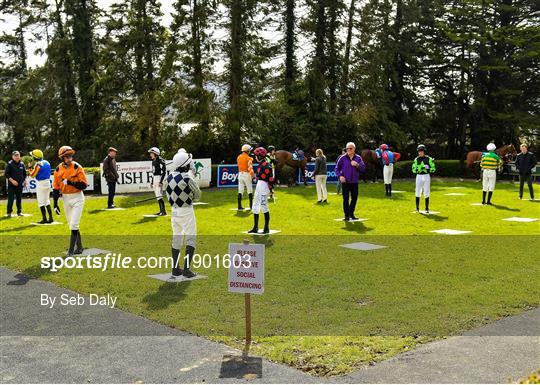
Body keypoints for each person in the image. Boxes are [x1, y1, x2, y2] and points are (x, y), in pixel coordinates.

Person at [165, 149, 201, 279]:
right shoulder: (188, 177)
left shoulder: (168, 177)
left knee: (177, 238)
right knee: (190, 238)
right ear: (185, 165)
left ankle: (175, 269)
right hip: (186, 210)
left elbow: (167, 193)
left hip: (174, 211)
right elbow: (198, 195)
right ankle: (186, 269)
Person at [52, 146, 88, 257]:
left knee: (74, 224)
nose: (69, 158)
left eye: (70, 156)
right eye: (67, 157)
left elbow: (84, 185)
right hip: (66, 199)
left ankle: (71, 251)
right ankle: (80, 247)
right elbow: (55, 188)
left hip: (78, 198)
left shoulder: (77, 167)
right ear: (62, 158)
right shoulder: (58, 170)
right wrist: (55, 204)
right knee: (72, 225)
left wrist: (71, 182)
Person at [335, 142, 366, 221]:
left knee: (354, 198)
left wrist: (357, 165)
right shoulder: (342, 158)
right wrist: (340, 176)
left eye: (350, 148)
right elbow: (336, 168)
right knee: (345, 199)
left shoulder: (358, 158)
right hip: (345, 182)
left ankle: (351, 214)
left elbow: (363, 169)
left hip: (354, 182)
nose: (348, 150)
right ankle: (346, 215)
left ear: (354, 149)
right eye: (347, 148)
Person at [248, 147, 274, 234]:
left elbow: (270, 179)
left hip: (264, 186)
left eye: (256, 156)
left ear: (259, 156)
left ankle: (266, 228)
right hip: (259, 185)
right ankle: (255, 227)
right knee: (255, 206)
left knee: (264, 206)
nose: (255, 157)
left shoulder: (266, 165)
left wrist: (271, 190)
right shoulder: (261, 164)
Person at [28, 149, 53, 223]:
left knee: (41, 202)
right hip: (48, 182)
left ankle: (44, 219)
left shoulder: (38, 164)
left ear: (35, 157)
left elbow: (32, 175)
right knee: (47, 201)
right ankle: (51, 218)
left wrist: (29, 168)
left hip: (41, 183)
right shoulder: (47, 162)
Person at [412, 144, 436, 213]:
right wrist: (419, 169)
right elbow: (413, 169)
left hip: (426, 176)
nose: (420, 152)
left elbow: (433, 168)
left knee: (426, 191)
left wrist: (428, 168)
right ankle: (417, 208)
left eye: (421, 151)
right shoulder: (416, 159)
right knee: (417, 190)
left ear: (424, 151)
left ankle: (427, 208)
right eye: (419, 151)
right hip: (419, 176)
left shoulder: (429, 159)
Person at [5, 151, 27, 217]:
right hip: (11, 185)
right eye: (15, 155)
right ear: (12, 157)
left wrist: (24, 180)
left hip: (20, 185)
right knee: (10, 199)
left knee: (19, 199)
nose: (17, 157)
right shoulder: (9, 164)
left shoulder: (22, 164)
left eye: (18, 155)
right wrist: (12, 181)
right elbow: (6, 174)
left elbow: (24, 174)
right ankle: (9, 213)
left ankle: (19, 212)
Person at [148, 147, 167, 216]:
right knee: (157, 196)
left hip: (159, 179)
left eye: (151, 153)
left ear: (155, 153)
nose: (150, 155)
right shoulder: (153, 161)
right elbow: (153, 173)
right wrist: (152, 181)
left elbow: (164, 172)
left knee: (159, 195)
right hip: (155, 179)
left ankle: (163, 211)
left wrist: (161, 182)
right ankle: (161, 211)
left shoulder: (161, 161)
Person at [237, 144, 255, 210]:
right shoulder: (249, 158)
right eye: (249, 150)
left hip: (240, 174)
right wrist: (253, 176)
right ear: (247, 151)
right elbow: (250, 169)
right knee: (250, 190)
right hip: (246, 174)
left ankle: (239, 206)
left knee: (240, 190)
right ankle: (251, 206)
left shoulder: (239, 157)